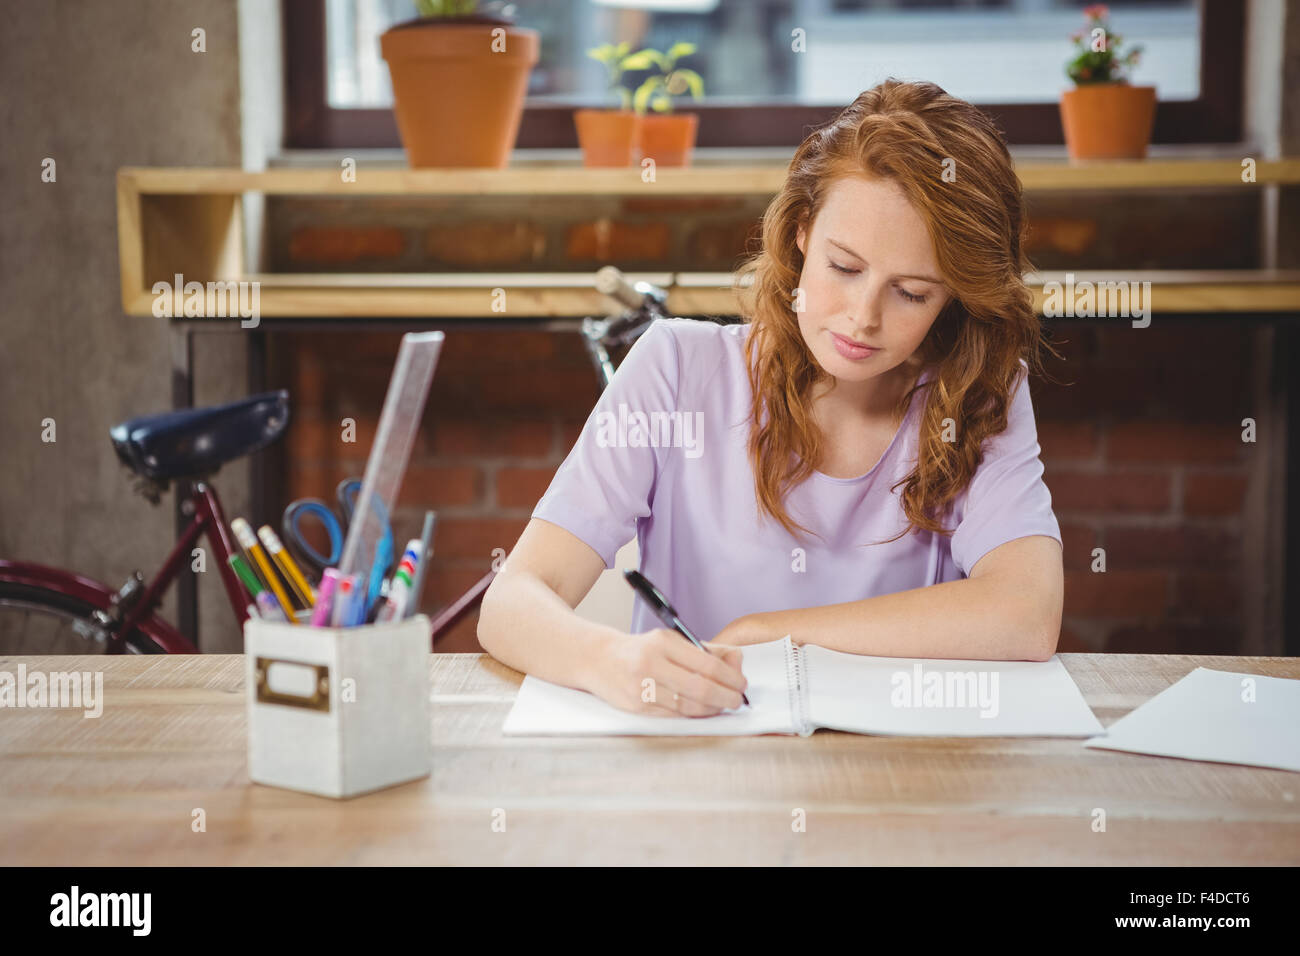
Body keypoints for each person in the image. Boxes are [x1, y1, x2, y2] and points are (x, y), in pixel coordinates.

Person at [478, 79, 1063, 718]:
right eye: (844, 267)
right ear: (803, 232)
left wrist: (767, 633)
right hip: (693, 770)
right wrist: (607, 660)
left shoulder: (977, 394)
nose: (862, 318)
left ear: (955, 294)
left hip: (896, 784)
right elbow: (511, 603)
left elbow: (1026, 612)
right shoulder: (675, 367)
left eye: (913, 293)